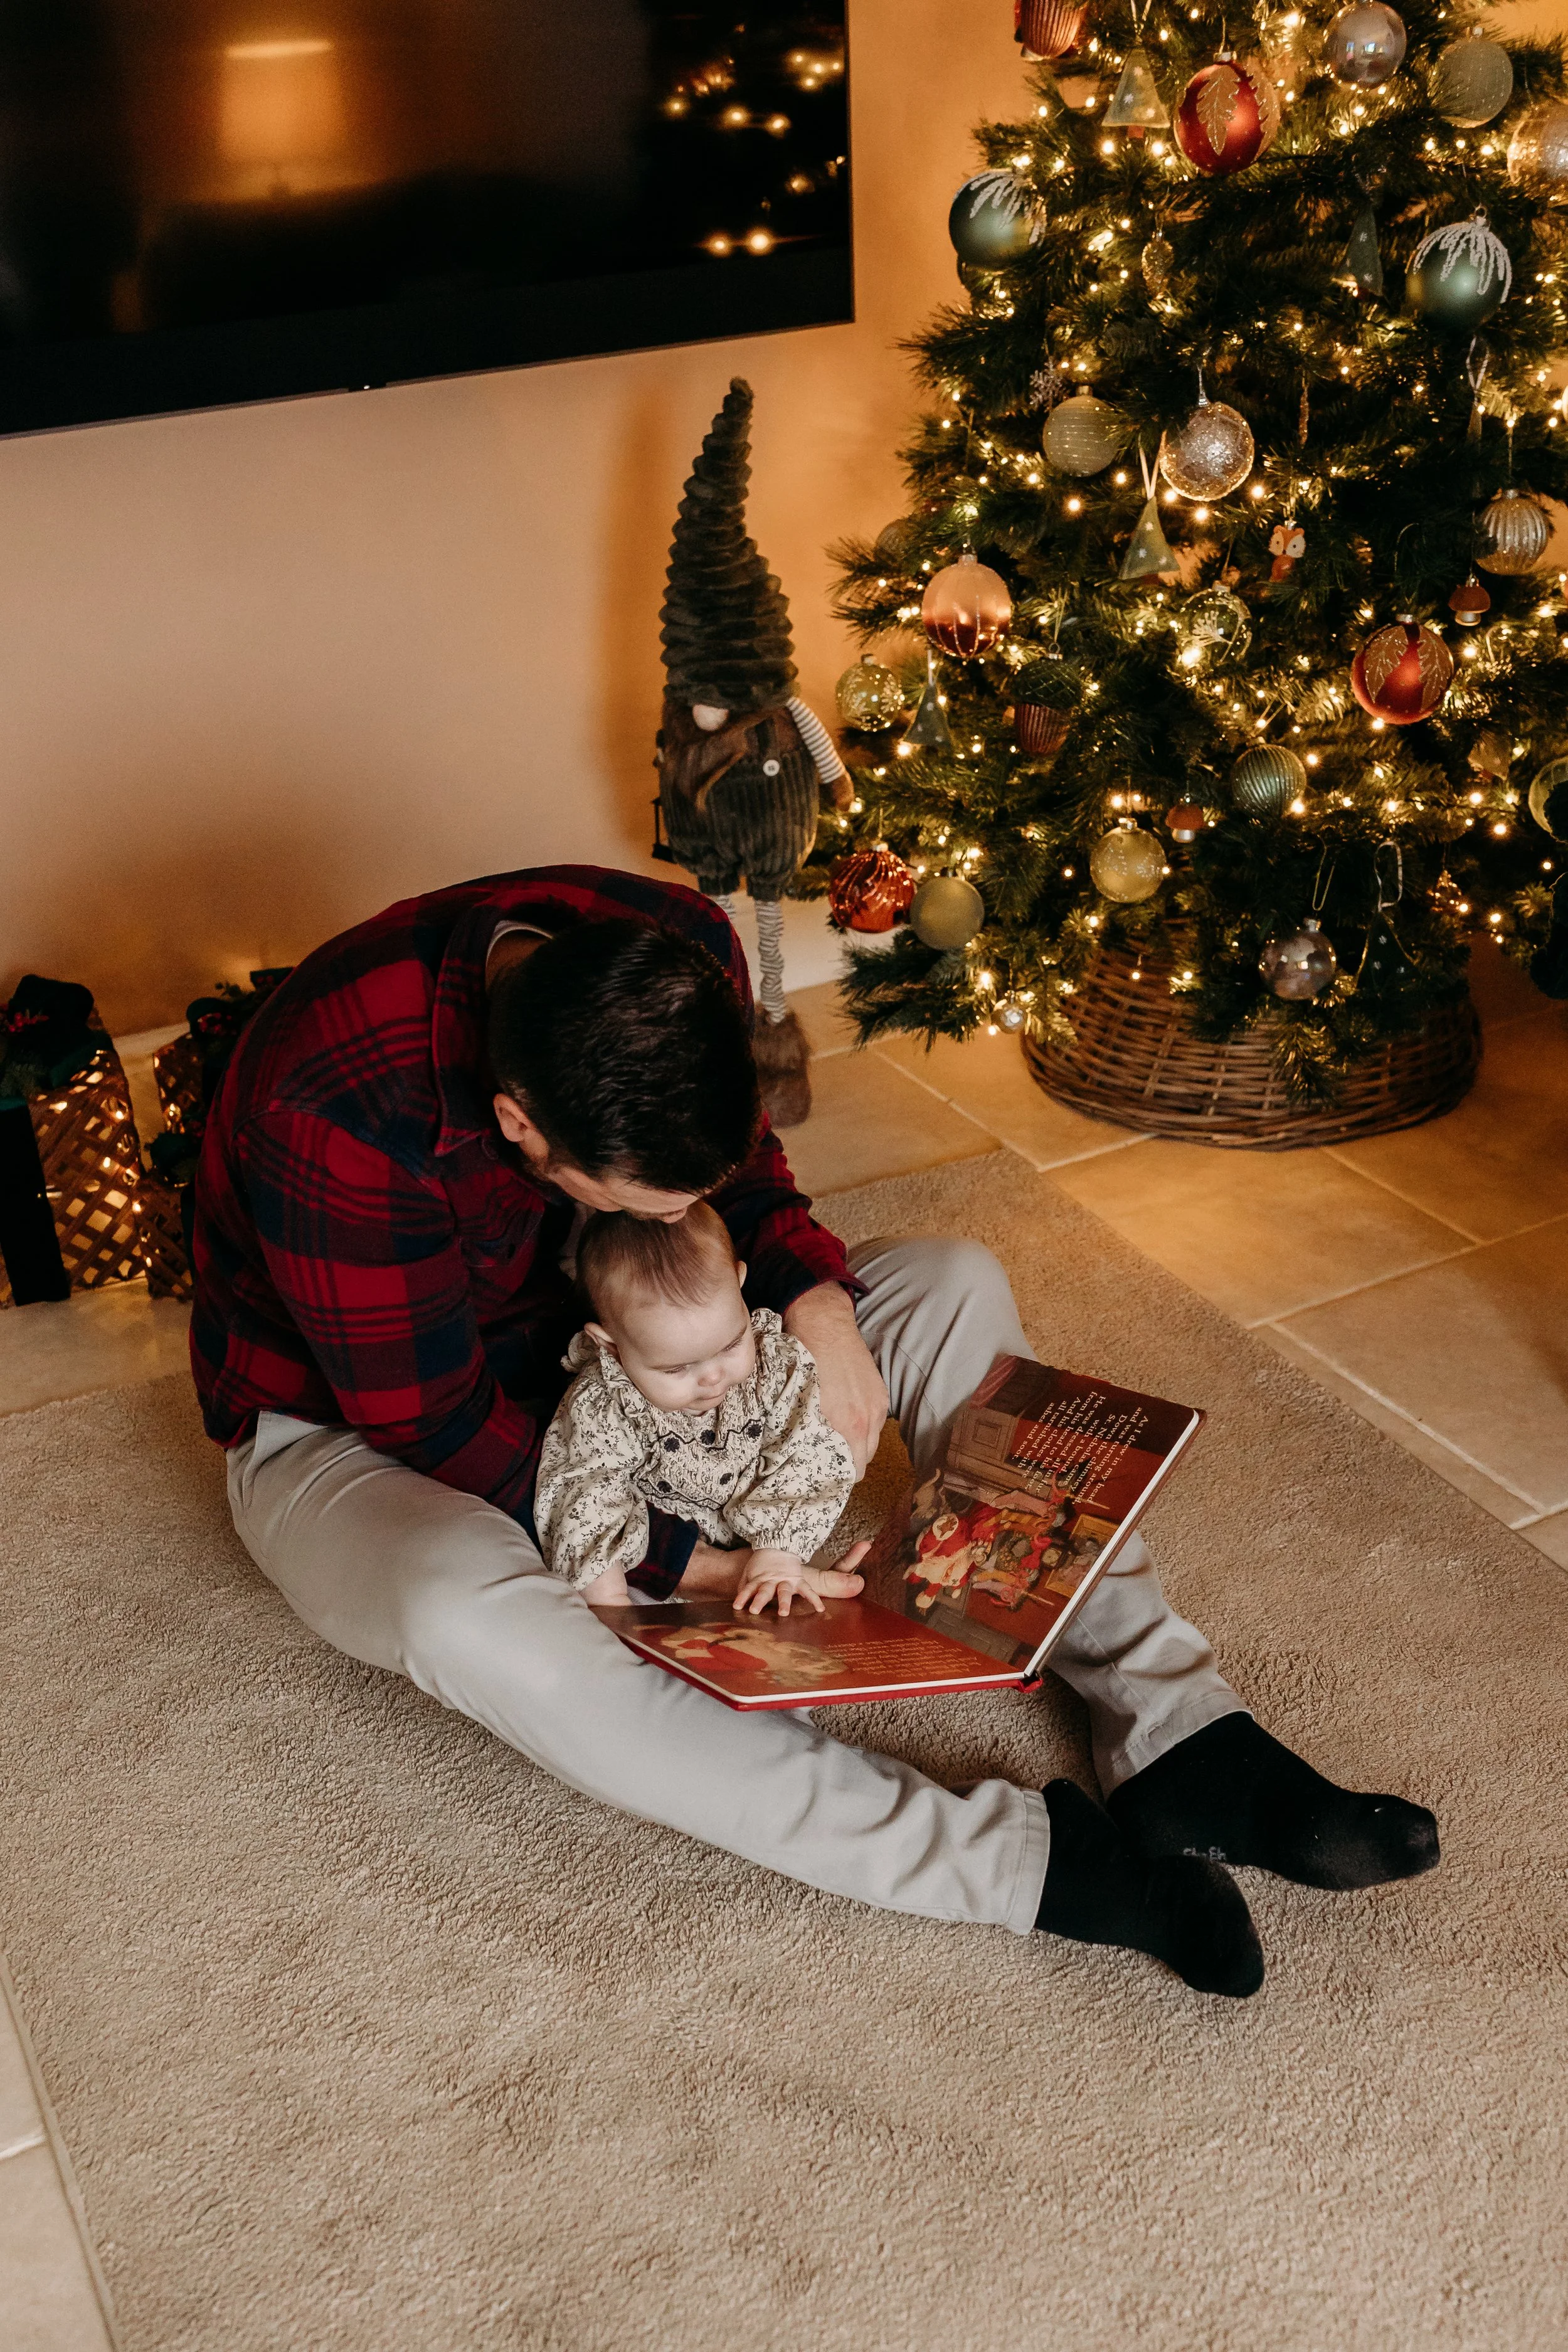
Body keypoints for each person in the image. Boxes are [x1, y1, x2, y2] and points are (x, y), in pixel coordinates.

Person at [198, 864, 1439, 2003]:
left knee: (948, 1279)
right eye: (648, 1201)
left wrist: (816, 1301)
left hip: (660, 1358)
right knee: (460, 1613)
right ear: (522, 1128)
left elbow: (745, 1191)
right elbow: (443, 1421)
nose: (689, 1209)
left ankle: (1176, 1731)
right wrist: (685, 1562)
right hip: (368, 1431)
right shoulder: (330, 1109)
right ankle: (1009, 1865)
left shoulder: (675, 947)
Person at [534, 1202, 859, 1616]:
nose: (712, 1378)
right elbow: (584, 1491)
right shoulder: (604, 1402)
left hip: (766, 1538)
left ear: (739, 1283)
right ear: (610, 1345)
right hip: (658, 1557)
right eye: (675, 1368)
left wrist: (779, 1552)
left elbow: (807, 1448)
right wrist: (606, 1592)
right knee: (589, 1608)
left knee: (795, 1609)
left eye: (730, 1345)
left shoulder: (776, 1365)